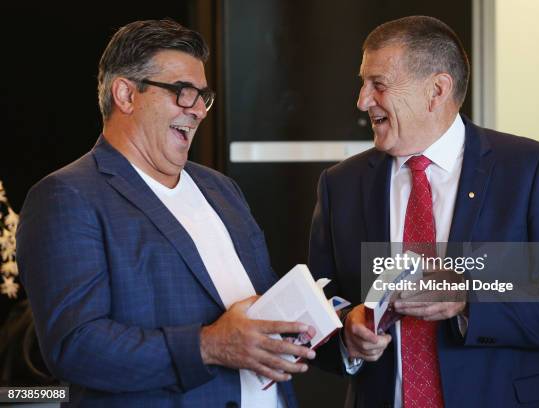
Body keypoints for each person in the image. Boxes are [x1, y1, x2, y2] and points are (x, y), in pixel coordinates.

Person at [16, 19, 315, 407]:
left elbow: (267, 306)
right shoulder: (66, 196)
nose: (198, 111)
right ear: (125, 94)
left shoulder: (221, 189)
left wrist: (339, 326)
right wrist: (208, 346)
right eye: (182, 92)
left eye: (202, 96)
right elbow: (76, 346)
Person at [308, 15, 539, 408]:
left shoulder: (529, 167)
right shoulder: (341, 183)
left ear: (436, 90)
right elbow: (320, 312)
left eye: (378, 84)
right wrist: (347, 334)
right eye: (363, 83)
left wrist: (467, 297)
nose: (362, 100)